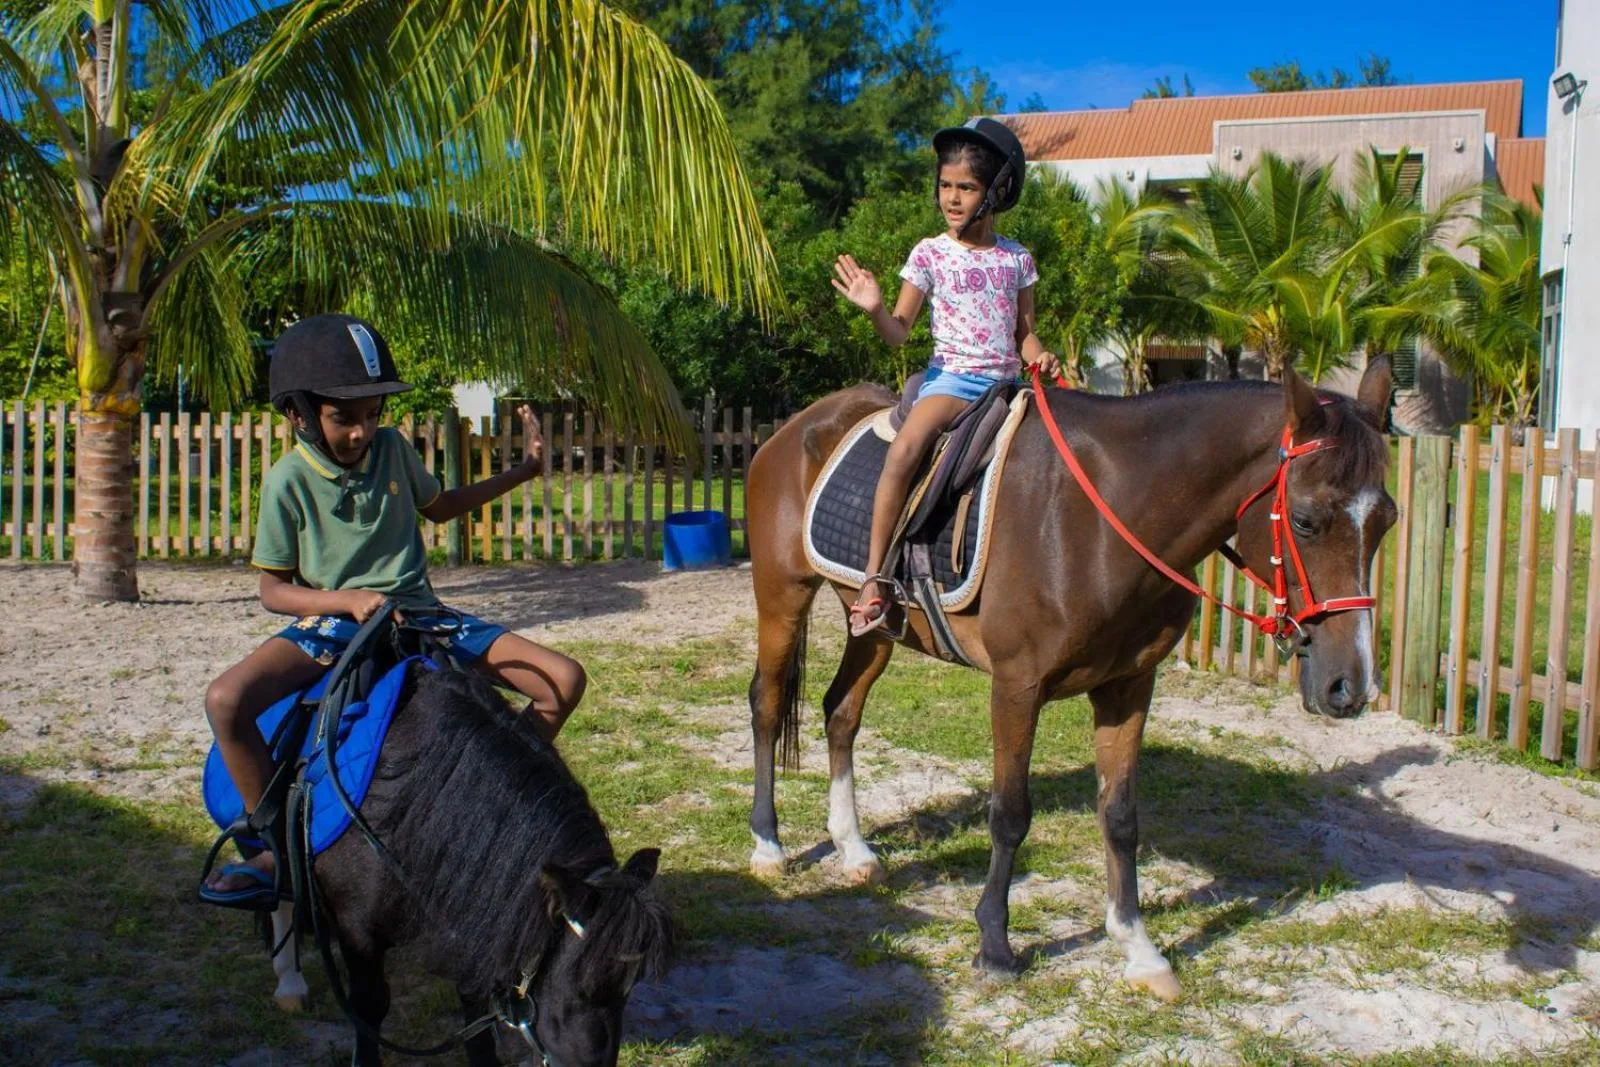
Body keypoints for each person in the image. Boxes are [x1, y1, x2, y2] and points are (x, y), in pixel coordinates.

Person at [200, 314, 586, 907]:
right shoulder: (286, 482)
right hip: (334, 622)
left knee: (562, 680)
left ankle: (485, 795)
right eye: (343, 417)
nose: (361, 431)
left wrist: (524, 471)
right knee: (226, 700)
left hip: (421, 615)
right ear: (298, 414)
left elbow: (442, 506)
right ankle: (270, 846)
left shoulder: (393, 451)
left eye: (373, 414)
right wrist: (345, 600)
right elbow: (273, 590)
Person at [831, 117, 1060, 636]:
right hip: (953, 384)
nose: (952, 198)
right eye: (945, 185)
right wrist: (874, 307)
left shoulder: (1017, 259)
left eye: (966, 187)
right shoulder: (930, 253)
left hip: (1007, 386)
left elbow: (1025, 333)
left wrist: (1040, 353)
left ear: (996, 191)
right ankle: (874, 578)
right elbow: (898, 332)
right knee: (907, 448)